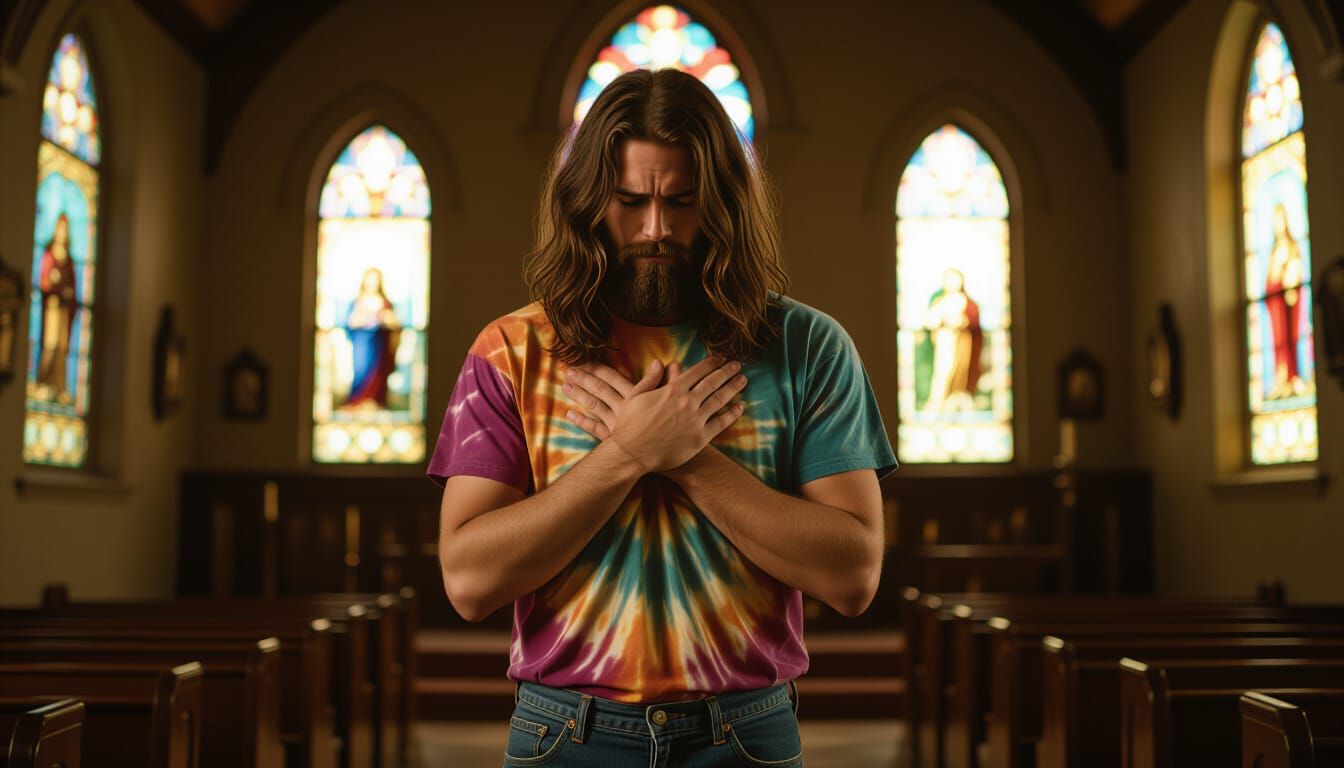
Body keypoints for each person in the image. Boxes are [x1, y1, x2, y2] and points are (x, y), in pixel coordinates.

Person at [428, 68, 896, 767]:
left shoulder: (808, 347)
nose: (656, 228)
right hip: (562, 733)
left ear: (724, 205)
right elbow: (468, 583)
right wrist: (625, 456)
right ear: (587, 202)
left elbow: (855, 577)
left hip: (747, 733)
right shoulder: (510, 351)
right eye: (629, 202)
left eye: (682, 203)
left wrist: (686, 457)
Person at [923, 268, 982, 413]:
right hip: (945, 342)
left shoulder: (966, 302)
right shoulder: (940, 301)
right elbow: (930, 320)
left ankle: (957, 400)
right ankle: (939, 403)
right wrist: (943, 321)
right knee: (943, 372)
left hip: (962, 343)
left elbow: (973, 320)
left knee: (960, 372)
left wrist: (963, 321)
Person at [342, 267, 400, 408]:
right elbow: (349, 323)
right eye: (370, 280)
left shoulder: (385, 302)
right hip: (362, 342)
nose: (372, 283)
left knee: (378, 375)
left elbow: (395, 324)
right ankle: (358, 400)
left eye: (375, 280)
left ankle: (376, 401)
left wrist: (385, 319)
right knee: (361, 370)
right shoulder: (357, 302)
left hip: (379, 344)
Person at [1264, 203, 1305, 400]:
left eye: (1281, 220)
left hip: (1289, 306)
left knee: (1291, 340)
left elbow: (1296, 274)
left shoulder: (1291, 246)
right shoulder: (1273, 252)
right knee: (1279, 342)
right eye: (1276, 221)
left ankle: (1293, 376)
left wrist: (1289, 277)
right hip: (1276, 307)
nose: (1278, 225)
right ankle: (1281, 378)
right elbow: (1269, 283)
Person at [37, 212, 77, 402]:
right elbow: (44, 278)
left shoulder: (68, 259)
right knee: (50, 344)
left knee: (61, 346)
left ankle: (60, 386)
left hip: (63, 308)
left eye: (65, 229)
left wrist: (67, 291)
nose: (62, 232)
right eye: (60, 228)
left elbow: (73, 284)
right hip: (52, 306)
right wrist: (52, 283)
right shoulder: (50, 252)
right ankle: (44, 383)